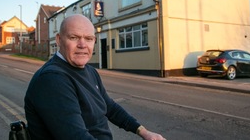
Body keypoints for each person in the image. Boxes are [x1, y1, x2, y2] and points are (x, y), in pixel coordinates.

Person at [24, 14, 166, 140]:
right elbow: (76, 136)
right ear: (59, 40)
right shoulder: (52, 79)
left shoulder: (90, 71)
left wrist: (144, 132)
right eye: (74, 37)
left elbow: (110, 107)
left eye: (89, 38)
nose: (82, 45)